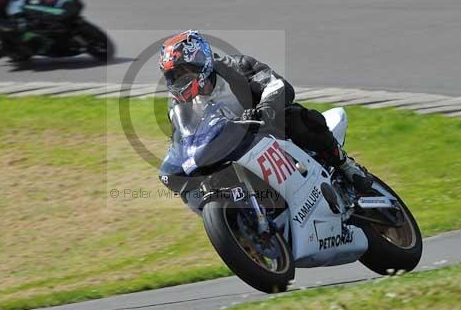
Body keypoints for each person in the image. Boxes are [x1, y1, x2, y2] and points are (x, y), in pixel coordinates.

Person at [158, 30, 373, 191]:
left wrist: (263, 111)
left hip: (266, 130)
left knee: (295, 117)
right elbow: (182, 140)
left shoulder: (237, 67)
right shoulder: (179, 107)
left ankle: (345, 166)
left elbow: (277, 85)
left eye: (184, 72)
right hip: (230, 150)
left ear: (201, 63)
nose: (179, 80)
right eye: (174, 76)